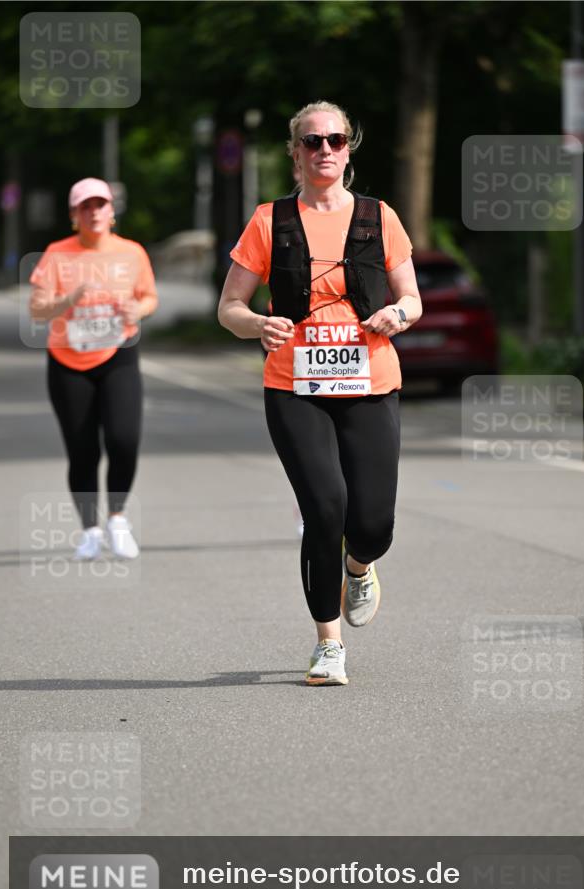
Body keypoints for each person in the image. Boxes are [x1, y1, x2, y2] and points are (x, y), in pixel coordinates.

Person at [218, 101, 422, 686]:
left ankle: (359, 567)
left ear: (348, 148)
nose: (324, 149)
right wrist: (258, 324)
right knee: (324, 508)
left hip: (370, 382)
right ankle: (328, 644)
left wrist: (397, 314)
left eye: (335, 139)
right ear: (296, 153)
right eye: (313, 141)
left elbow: (411, 298)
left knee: (374, 523)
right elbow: (229, 308)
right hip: (295, 386)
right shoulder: (270, 221)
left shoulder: (379, 217)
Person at [29, 178, 158, 560]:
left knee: (124, 438)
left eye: (100, 204)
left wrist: (138, 309)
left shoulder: (131, 252)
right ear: (74, 215)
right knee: (83, 450)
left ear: (112, 211)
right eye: (85, 206)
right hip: (68, 362)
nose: (94, 212)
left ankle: (117, 518)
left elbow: (149, 297)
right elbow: (37, 310)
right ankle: (90, 530)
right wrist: (69, 298)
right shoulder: (57, 254)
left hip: (118, 354)